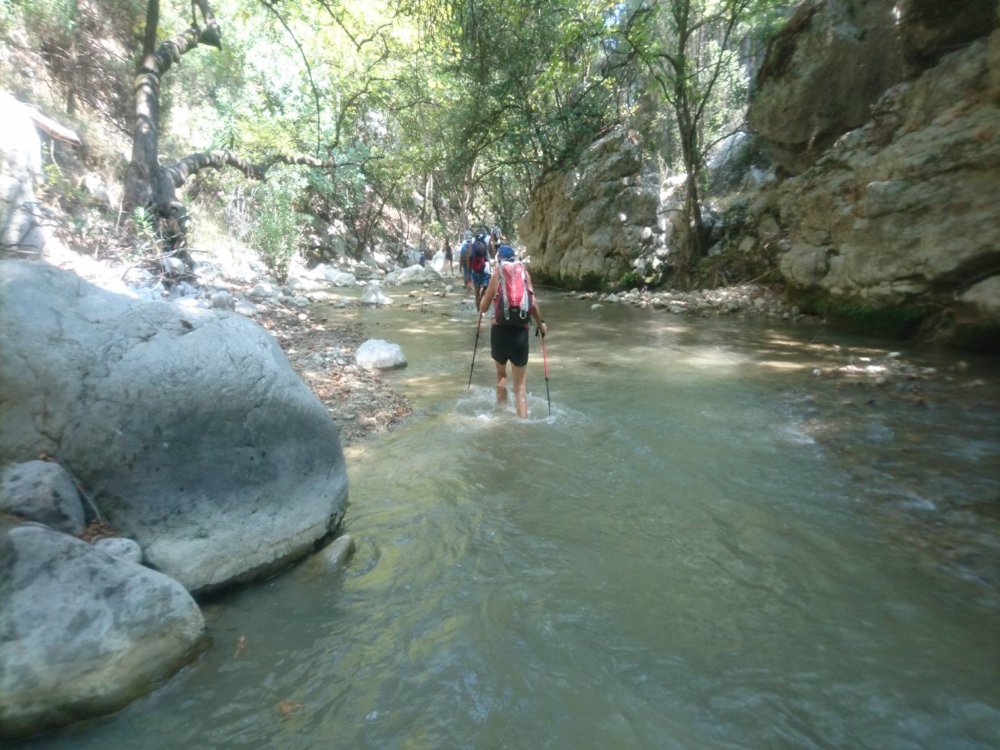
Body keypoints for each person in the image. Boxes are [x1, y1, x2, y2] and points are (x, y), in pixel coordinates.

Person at [478, 241, 546, 418]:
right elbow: (533, 303)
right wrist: (541, 324)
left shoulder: (497, 274)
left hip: (499, 331)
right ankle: (523, 426)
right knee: (520, 387)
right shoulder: (524, 274)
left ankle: (501, 417)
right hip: (520, 333)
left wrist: (483, 299)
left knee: (501, 376)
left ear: (499, 259)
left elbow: (483, 308)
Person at [469, 231, 491, 308]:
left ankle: (478, 310)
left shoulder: (473, 239)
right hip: (485, 266)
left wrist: (469, 272)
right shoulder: (487, 238)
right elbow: (490, 252)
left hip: (475, 268)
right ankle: (482, 311)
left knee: (476, 292)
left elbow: (470, 255)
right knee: (484, 291)